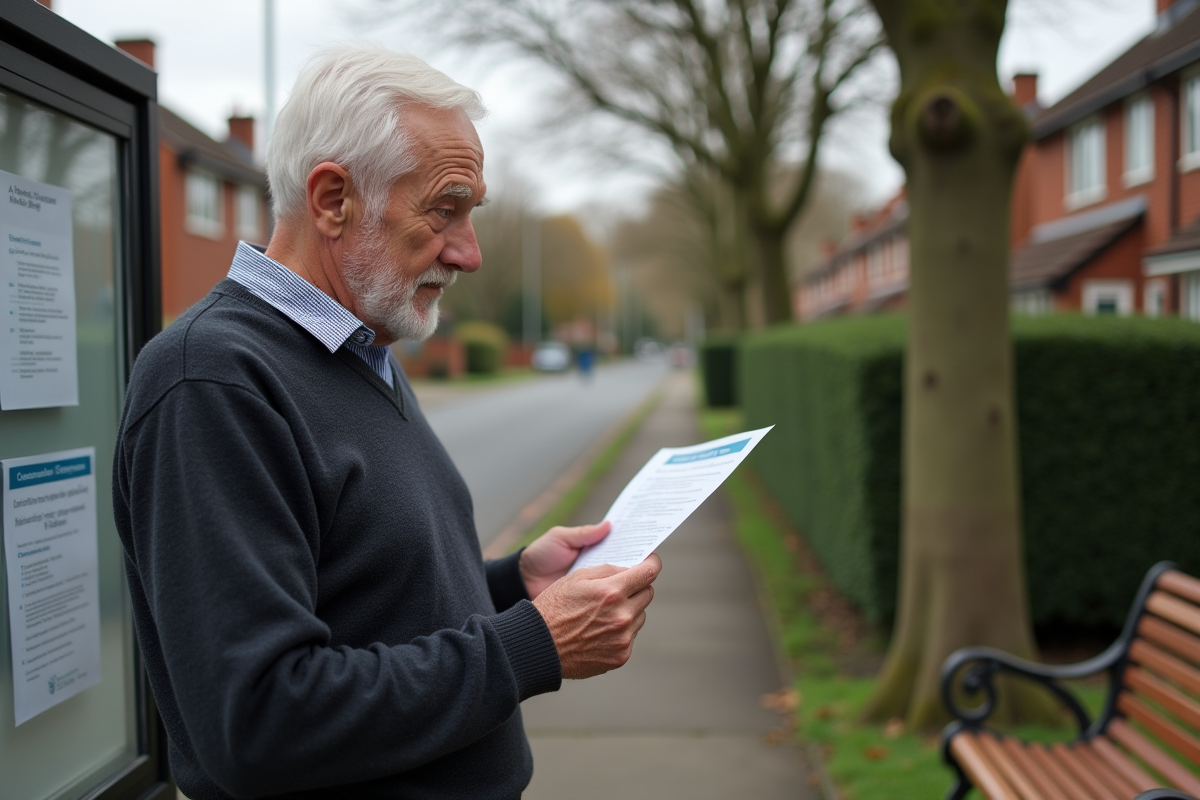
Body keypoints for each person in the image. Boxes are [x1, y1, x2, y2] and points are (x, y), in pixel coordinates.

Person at [113, 46, 660, 800]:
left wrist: (511, 589)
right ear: (333, 198)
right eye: (446, 207)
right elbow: (259, 720)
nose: (468, 253)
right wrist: (534, 645)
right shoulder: (211, 382)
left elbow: (368, 600)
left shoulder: (360, 347)